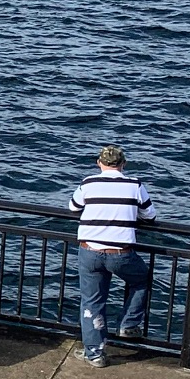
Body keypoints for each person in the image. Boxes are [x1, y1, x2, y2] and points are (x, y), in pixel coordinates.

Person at [69, 144, 158, 367]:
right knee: (141, 280)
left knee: (92, 301)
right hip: (121, 253)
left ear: (99, 163)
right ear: (123, 164)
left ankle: (95, 354)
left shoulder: (89, 182)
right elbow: (150, 216)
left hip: (90, 250)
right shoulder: (134, 184)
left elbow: (73, 207)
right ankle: (128, 324)